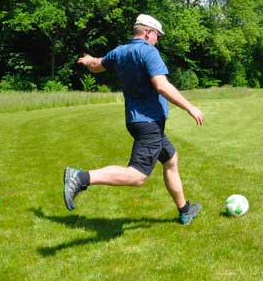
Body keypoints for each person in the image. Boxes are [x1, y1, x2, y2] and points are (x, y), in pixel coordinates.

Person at [63, 14, 204, 225]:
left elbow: (97, 65)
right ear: (147, 32)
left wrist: (88, 61)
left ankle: (185, 210)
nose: (158, 40)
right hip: (149, 123)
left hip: (136, 121)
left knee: (171, 160)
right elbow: (162, 85)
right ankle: (80, 178)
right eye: (157, 35)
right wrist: (190, 107)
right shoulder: (149, 52)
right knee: (137, 176)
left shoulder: (119, 52)